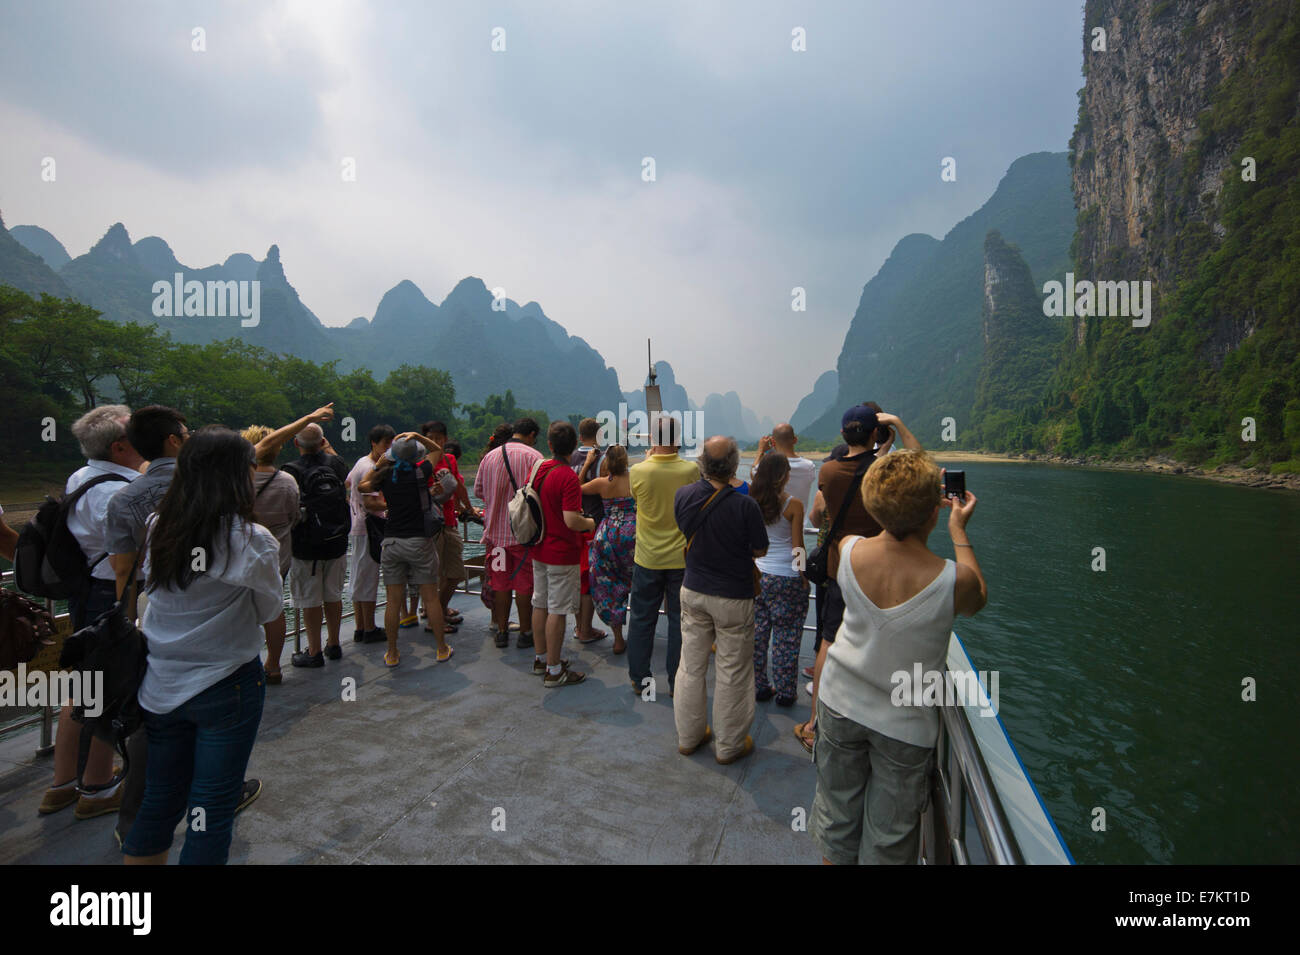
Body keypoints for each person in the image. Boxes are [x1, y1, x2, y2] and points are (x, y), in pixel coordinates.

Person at [810, 450, 986, 865]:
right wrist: (959, 530)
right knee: (888, 843)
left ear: (873, 504)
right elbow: (977, 598)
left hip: (839, 704)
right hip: (904, 727)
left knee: (837, 824)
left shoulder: (849, 549)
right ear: (933, 512)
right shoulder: (951, 579)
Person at [121, 428, 283, 865]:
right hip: (225, 684)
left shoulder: (159, 525)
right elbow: (269, 612)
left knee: (158, 802)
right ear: (237, 476)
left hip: (159, 685)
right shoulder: (252, 540)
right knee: (210, 809)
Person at [796, 405, 921, 752]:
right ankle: (872, 726)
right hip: (879, 571)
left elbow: (819, 512)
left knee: (828, 642)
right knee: (877, 643)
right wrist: (894, 423)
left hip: (840, 569)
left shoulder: (829, 470)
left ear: (842, 435)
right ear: (874, 434)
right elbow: (919, 462)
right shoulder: (883, 470)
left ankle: (813, 723)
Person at [39, 406, 142, 821]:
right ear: (120, 447)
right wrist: (128, 613)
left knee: (81, 689)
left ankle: (61, 784)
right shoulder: (126, 489)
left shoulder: (81, 477)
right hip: (114, 595)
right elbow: (126, 562)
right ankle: (98, 788)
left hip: (85, 594)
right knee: (115, 689)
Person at [672, 436, 768, 763]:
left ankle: (689, 737)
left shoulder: (683, 496)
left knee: (691, 666)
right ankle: (728, 747)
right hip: (733, 598)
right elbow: (760, 549)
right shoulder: (746, 505)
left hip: (693, 590)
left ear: (702, 463)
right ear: (733, 464)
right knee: (733, 671)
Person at [359, 432, 454, 668]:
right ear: (416, 456)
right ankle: (441, 649)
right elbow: (437, 452)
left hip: (392, 542)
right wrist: (419, 435)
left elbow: (363, 487)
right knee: (430, 596)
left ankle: (392, 653)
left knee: (392, 600)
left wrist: (380, 463)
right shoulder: (421, 472)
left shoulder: (385, 475)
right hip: (419, 541)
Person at [625, 414, 699, 696]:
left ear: (653, 439)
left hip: (647, 559)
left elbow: (637, 499)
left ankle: (640, 680)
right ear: (678, 439)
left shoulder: (638, 471)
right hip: (682, 560)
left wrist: (647, 459)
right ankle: (675, 682)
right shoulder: (690, 471)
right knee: (679, 623)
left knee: (643, 619)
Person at [529, 421, 596, 687]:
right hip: (561, 553)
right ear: (573, 447)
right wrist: (589, 523)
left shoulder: (538, 468)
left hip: (538, 548)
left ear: (549, 445)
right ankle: (555, 671)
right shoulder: (567, 476)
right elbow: (571, 520)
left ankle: (540, 658)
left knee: (540, 603)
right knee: (557, 610)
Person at [282, 423, 350, 668]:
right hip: (337, 541)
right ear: (323, 442)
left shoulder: (290, 470)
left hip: (305, 545)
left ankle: (313, 650)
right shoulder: (337, 464)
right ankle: (334, 643)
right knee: (334, 594)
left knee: (309, 599)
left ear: (296, 443)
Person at [472, 418, 543, 649]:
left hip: (496, 537)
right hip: (522, 536)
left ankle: (501, 631)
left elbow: (479, 491)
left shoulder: (490, 457)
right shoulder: (534, 458)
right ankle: (526, 632)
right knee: (524, 585)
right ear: (532, 435)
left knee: (500, 583)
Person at [749, 453, 809, 706]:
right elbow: (798, 547)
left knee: (757, 634)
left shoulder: (751, 500)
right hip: (786, 578)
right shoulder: (793, 505)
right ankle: (785, 692)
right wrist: (803, 576)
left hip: (758, 575)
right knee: (787, 636)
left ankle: (759, 686)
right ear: (784, 476)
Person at [345, 424, 395, 646]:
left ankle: (359, 626)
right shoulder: (370, 468)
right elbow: (371, 501)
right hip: (369, 527)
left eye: (391, 444)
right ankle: (369, 628)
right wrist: (394, 504)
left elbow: (347, 483)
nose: (388, 449)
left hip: (358, 525)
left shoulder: (361, 463)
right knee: (368, 578)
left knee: (359, 577)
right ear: (373, 443)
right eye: (385, 444)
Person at [422, 421, 475, 634]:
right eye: (430, 438)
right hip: (430, 525)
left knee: (454, 573)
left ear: (444, 439)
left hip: (449, 521)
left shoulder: (449, 459)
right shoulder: (420, 462)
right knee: (433, 574)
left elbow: (459, 487)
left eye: (438, 438)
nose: (435, 442)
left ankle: (440, 610)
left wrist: (469, 508)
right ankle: (435, 619)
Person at [582, 445, 634, 655]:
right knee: (639, 583)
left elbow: (575, 488)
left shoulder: (602, 483)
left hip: (608, 535)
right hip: (634, 535)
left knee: (609, 585)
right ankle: (641, 633)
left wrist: (586, 465)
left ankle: (618, 639)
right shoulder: (636, 479)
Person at [569, 417, 606, 645]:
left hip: (572, 523)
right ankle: (585, 629)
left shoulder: (568, 457)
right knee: (589, 580)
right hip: (595, 525)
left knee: (577, 577)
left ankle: (580, 626)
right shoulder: (602, 459)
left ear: (579, 436)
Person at [752, 423, 818, 512]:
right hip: (800, 523)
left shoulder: (768, 465)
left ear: (773, 442)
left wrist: (760, 450)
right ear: (795, 440)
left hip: (773, 523)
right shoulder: (809, 466)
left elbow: (754, 474)